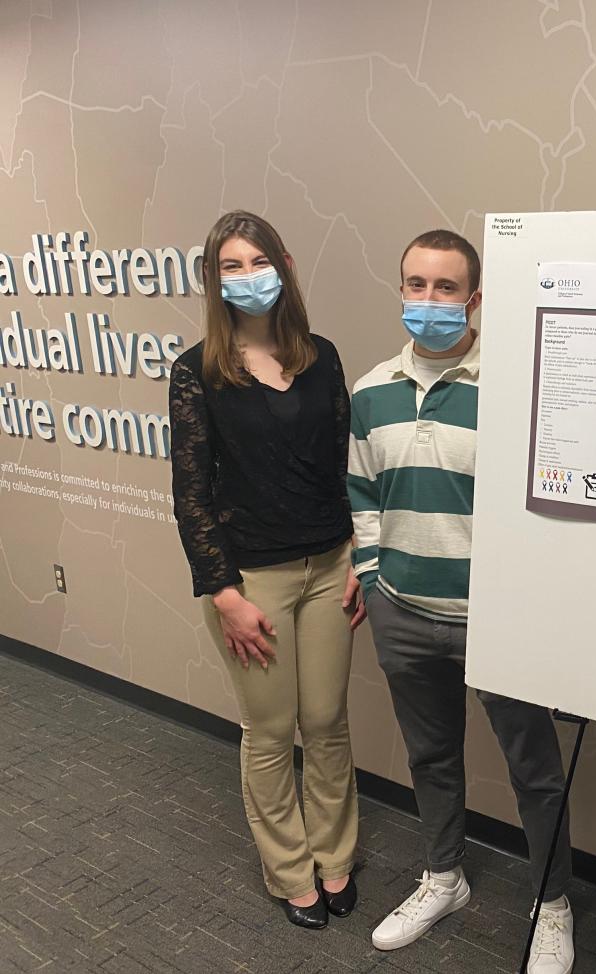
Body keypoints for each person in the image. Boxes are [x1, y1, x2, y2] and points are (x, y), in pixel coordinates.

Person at [349, 230, 576, 973]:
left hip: (495, 621)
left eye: (446, 288)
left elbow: (542, 502)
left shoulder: (513, 386)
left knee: (535, 772)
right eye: (415, 284)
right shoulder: (371, 388)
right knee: (432, 755)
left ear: (474, 300)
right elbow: (360, 492)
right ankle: (445, 877)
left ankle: (553, 903)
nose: (428, 301)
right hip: (404, 613)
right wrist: (374, 575)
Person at [169, 210, 365, 930]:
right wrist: (222, 592)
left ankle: (336, 852)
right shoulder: (197, 372)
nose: (247, 276)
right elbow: (190, 493)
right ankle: (290, 869)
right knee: (272, 727)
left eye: (257, 260)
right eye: (231, 265)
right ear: (214, 280)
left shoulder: (322, 356)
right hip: (252, 579)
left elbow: (349, 466)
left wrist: (360, 557)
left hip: (331, 564)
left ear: (283, 262)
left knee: (327, 719)